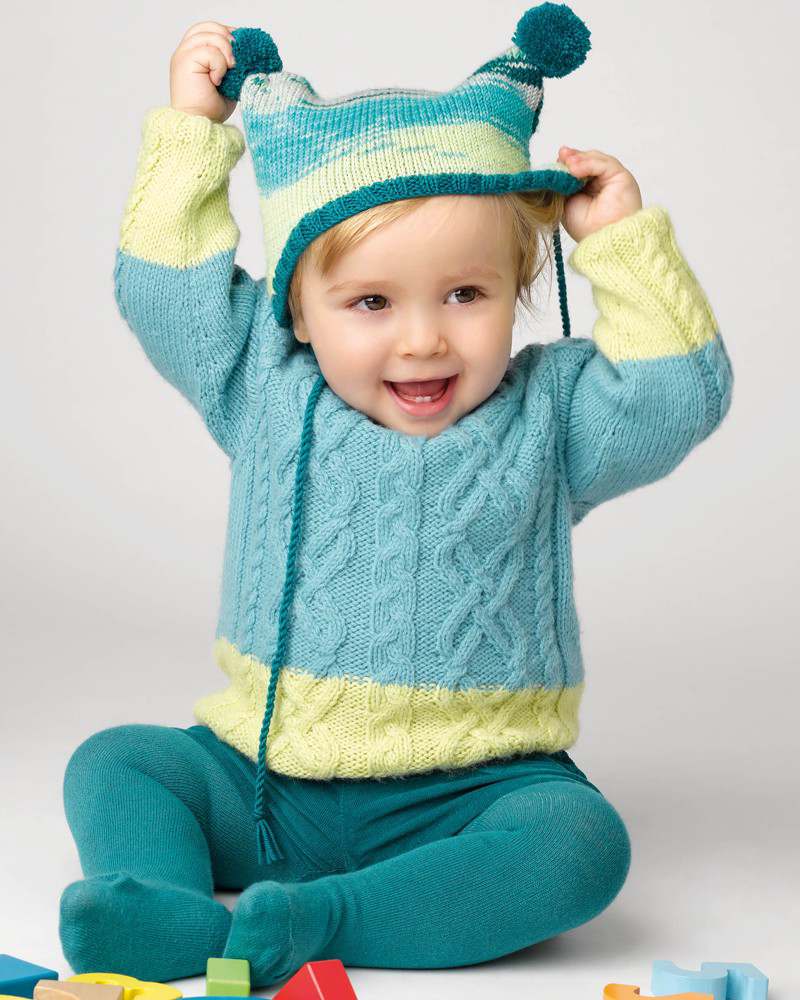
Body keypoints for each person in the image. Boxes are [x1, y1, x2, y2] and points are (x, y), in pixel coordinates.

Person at [59, 4, 734, 989]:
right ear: (298, 309)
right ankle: (159, 910)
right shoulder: (262, 383)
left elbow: (680, 397)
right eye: (371, 302)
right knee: (118, 762)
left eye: (465, 294)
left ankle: (323, 918)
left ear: (517, 285)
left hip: (469, 792)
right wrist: (193, 137)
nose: (422, 340)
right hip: (265, 784)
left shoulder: (549, 416)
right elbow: (165, 293)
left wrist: (623, 244)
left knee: (580, 844)